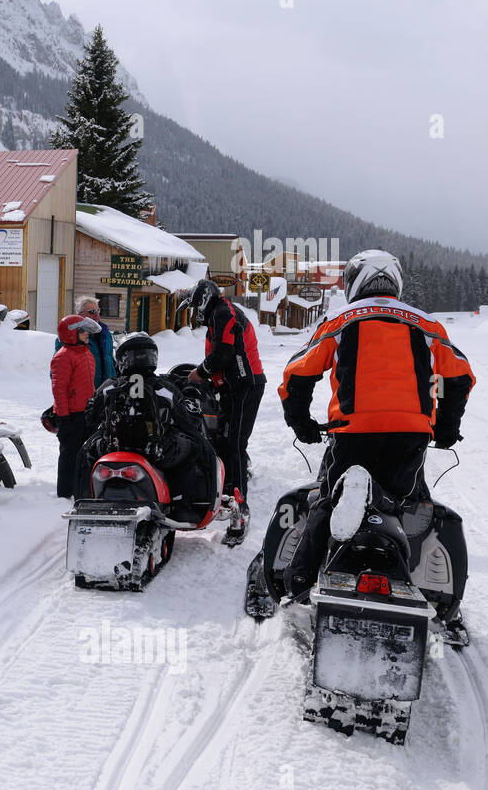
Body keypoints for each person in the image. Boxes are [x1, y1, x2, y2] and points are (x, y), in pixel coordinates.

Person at [277, 251, 475, 621]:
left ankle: (299, 580)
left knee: (328, 496)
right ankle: (424, 587)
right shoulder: (427, 324)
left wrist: (301, 423)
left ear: (355, 281)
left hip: (353, 433)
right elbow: (460, 376)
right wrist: (446, 429)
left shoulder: (339, 319)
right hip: (410, 434)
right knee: (412, 503)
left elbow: (296, 375)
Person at [77, 333, 221, 525]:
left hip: (112, 448)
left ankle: (84, 498)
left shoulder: (109, 386)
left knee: (86, 452)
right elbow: (188, 422)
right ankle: (182, 505)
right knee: (192, 448)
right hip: (156, 451)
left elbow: (90, 417)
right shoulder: (164, 388)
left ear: (122, 359)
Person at [186, 278, 265, 532]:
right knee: (222, 437)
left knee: (235, 444)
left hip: (246, 385)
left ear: (204, 301)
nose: (194, 313)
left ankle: (240, 505)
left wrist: (201, 371)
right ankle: (227, 487)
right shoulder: (217, 315)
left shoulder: (223, 312)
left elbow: (223, 353)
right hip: (233, 385)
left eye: (194, 307)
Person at [51, 313, 101, 498]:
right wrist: (63, 418)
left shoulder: (85, 353)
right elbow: (59, 390)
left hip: (86, 413)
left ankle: (82, 491)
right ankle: (64, 494)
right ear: (72, 334)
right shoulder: (63, 357)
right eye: (83, 331)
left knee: (86, 454)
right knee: (69, 457)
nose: (87, 334)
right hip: (70, 415)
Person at [55, 297, 115, 388]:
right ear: (80, 315)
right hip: (81, 394)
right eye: (91, 312)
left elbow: (109, 360)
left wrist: (113, 381)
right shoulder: (69, 336)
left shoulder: (106, 334)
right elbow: (58, 372)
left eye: (98, 310)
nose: (96, 315)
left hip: (105, 392)